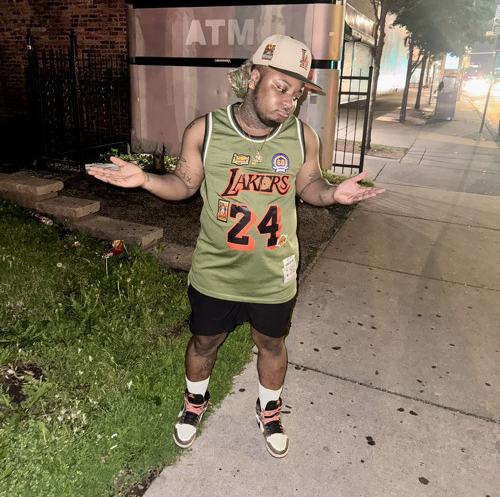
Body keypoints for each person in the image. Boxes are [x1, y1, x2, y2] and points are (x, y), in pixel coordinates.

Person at [89, 34, 385, 458]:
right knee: (204, 342)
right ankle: (195, 402)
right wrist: (146, 179)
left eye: (298, 94)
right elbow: (184, 184)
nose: (290, 102)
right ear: (252, 78)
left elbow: (311, 186)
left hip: (273, 273)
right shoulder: (205, 130)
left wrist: (333, 194)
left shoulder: (303, 137)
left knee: (272, 344)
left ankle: (269, 410)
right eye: (282, 87)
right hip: (217, 270)